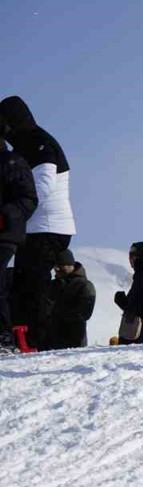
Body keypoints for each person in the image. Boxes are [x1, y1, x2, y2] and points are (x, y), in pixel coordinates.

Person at [0, 96, 76, 350]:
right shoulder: (25, 144)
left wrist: (14, 210)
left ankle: (37, 343)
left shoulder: (38, 142)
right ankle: (26, 341)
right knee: (24, 286)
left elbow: (43, 186)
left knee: (35, 288)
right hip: (35, 227)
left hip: (48, 226)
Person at [0, 115, 37, 347]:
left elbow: (28, 198)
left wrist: (4, 216)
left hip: (4, 233)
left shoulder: (11, 161)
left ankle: (3, 337)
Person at [46, 248, 95, 350]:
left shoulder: (84, 285)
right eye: (55, 265)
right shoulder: (54, 284)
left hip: (74, 343)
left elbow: (84, 313)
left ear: (70, 265)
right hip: (50, 342)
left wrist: (55, 311)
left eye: (60, 265)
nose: (56, 269)